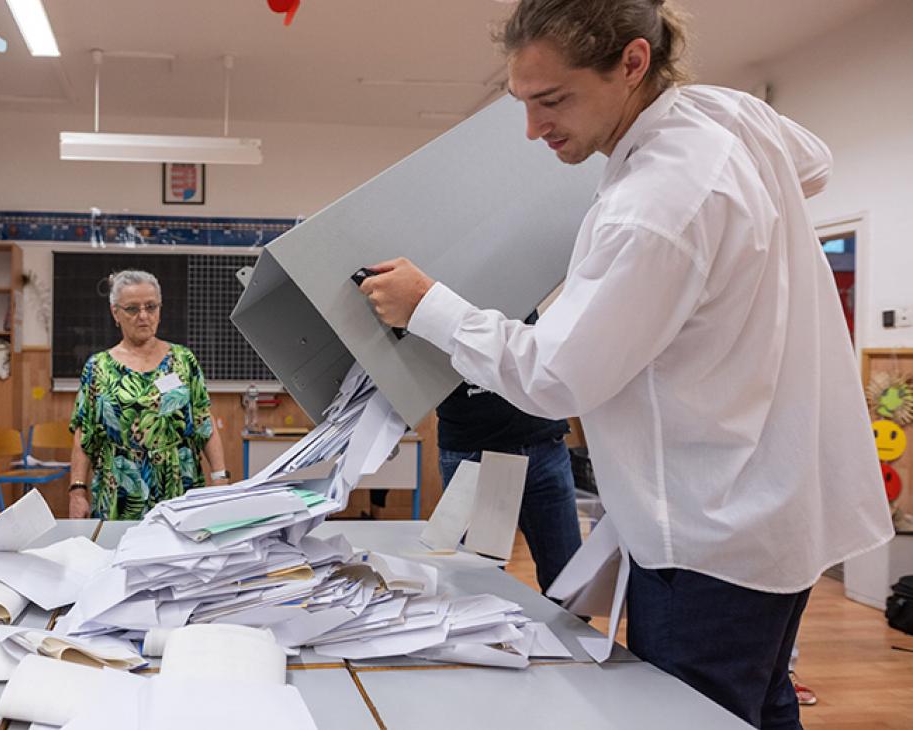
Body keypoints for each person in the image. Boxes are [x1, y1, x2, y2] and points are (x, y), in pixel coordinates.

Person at [355, 1, 893, 727]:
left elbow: (555, 378)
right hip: (775, 511)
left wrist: (430, 307)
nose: (533, 128)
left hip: (711, 537)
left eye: (553, 100)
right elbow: (816, 164)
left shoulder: (655, 204)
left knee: (697, 713)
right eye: (523, 101)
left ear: (633, 63)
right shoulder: (725, 116)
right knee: (760, 704)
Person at [435, 316, 582, 593]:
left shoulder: (514, 275)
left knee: (570, 589)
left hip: (543, 441)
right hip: (478, 452)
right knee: (481, 592)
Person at [68, 270, 228, 520]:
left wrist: (220, 477)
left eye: (151, 307)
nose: (143, 316)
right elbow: (84, 434)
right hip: (119, 490)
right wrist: (77, 491)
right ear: (115, 313)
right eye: (132, 309)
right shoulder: (97, 368)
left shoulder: (183, 360)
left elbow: (203, 421)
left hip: (177, 484)